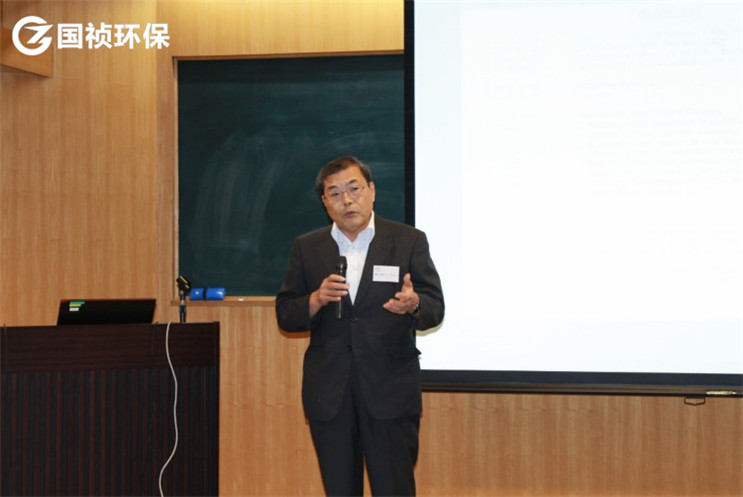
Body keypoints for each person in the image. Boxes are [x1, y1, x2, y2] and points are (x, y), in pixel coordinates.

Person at [276, 155, 445, 496]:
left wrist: (413, 304)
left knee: (394, 489)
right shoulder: (307, 247)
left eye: (354, 189)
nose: (347, 200)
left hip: (389, 391)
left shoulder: (408, 240)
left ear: (372, 191)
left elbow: (435, 307)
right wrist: (315, 299)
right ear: (325, 202)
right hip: (330, 394)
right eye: (335, 193)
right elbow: (286, 314)